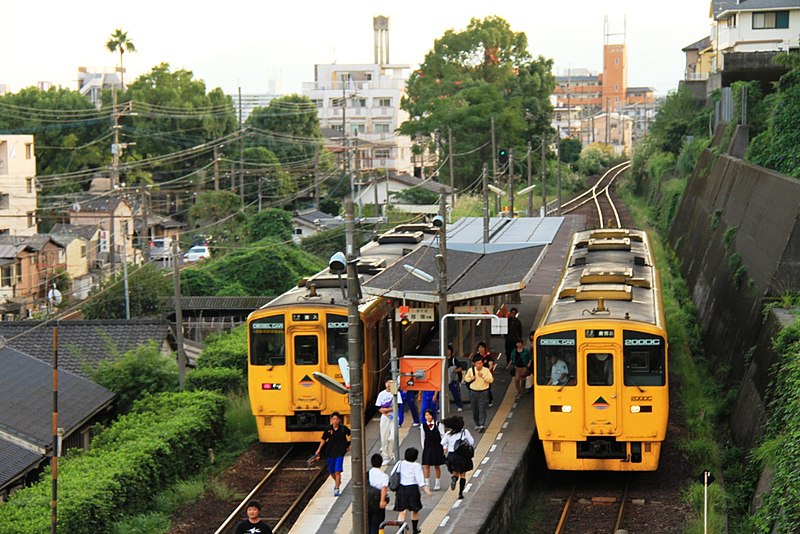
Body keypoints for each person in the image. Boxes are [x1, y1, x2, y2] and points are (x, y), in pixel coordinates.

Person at [391, 447, 432, 534]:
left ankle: (401, 530)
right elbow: (420, 480)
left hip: (401, 489)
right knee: (415, 510)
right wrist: (427, 490)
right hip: (412, 489)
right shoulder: (416, 466)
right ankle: (414, 529)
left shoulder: (400, 463)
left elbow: (392, 473)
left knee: (402, 511)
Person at [313, 412, 351, 497]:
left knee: (337, 471)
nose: (335, 421)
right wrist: (319, 449)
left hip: (340, 452)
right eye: (333, 419)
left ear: (339, 420)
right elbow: (323, 439)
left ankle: (337, 488)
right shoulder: (328, 429)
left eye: (337, 419)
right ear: (331, 420)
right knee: (331, 471)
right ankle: (338, 481)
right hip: (330, 452)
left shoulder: (343, 428)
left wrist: (350, 446)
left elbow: (352, 434)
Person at [441, 415, 475, 500]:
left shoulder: (448, 434)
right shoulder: (465, 432)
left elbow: (442, 442)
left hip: (451, 456)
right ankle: (460, 493)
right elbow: (471, 442)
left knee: (455, 472)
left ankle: (454, 479)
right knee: (463, 474)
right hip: (462, 456)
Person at [375, 379, 403, 465]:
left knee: (393, 437)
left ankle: (393, 453)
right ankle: (385, 456)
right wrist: (385, 413)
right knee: (384, 438)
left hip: (394, 417)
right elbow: (378, 407)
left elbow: (398, 406)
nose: (389, 385)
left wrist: (387, 409)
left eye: (391, 384)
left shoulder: (396, 393)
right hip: (385, 418)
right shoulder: (381, 394)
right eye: (387, 383)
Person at [463, 354, 493, 432]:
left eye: (480, 363)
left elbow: (491, 380)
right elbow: (466, 379)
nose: (479, 365)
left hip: (484, 392)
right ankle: (477, 423)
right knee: (475, 408)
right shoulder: (471, 370)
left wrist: (483, 376)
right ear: (474, 363)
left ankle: (481, 425)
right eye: (477, 363)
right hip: (473, 392)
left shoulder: (486, 370)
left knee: (482, 408)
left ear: (483, 363)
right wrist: (471, 379)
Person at [419, 408, 446, 490]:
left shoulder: (438, 424)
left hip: (437, 447)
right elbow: (422, 438)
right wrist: (424, 448)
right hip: (428, 447)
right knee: (426, 465)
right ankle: (427, 483)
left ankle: (437, 483)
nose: (428, 417)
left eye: (429, 415)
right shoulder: (423, 425)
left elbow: (443, 435)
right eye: (426, 415)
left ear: (432, 416)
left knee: (436, 466)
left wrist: (444, 446)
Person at [367, 453, 389, 534]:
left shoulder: (367, 474)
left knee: (368, 522)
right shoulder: (384, 476)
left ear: (371, 463)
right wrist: (382, 501)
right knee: (376, 524)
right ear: (381, 463)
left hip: (367, 501)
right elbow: (384, 488)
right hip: (377, 501)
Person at [470, 342, 496, 406]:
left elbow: (491, 365)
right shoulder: (476, 356)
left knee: (487, 388)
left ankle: (489, 400)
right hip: (477, 375)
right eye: (480, 347)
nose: (481, 349)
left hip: (485, 375)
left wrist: (487, 372)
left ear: (485, 349)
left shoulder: (488, 356)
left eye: (482, 347)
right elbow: (473, 364)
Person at [446, 344, 464, 412]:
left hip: (453, 380)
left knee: (455, 393)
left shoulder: (454, 359)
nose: (447, 351)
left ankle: (460, 405)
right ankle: (441, 407)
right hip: (445, 380)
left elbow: (460, 368)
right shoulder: (443, 359)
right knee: (442, 394)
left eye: (448, 350)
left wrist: (453, 371)